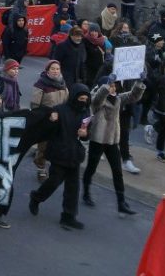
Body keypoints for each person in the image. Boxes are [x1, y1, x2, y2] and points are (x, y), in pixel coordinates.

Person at [28, 84, 91, 231]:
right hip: (59, 153)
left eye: (85, 99)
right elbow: (47, 131)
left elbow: (87, 133)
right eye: (81, 98)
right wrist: (51, 121)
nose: (83, 101)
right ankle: (36, 197)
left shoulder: (85, 112)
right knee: (53, 182)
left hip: (74, 154)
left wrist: (85, 134)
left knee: (73, 187)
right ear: (74, 97)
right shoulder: (60, 110)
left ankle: (68, 217)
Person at [81, 77, 144, 215]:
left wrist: (139, 83)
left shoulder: (119, 98)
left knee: (117, 171)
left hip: (112, 141)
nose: (112, 88)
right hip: (98, 139)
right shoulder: (96, 98)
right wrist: (105, 86)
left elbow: (133, 96)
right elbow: (97, 100)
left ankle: (121, 202)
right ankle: (85, 192)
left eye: (114, 86)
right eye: (110, 86)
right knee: (91, 168)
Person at [30, 60, 69, 181]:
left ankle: (54, 168)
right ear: (47, 70)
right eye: (53, 69)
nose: (55, 71)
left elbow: (66, 102)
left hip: (59, 121)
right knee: (44, 147)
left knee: (57, 146)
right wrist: (48, 114)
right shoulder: (41, 84)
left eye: (57, 69)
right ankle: (41, 168)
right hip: (45, 121)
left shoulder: (63, 84)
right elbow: (35, 105)